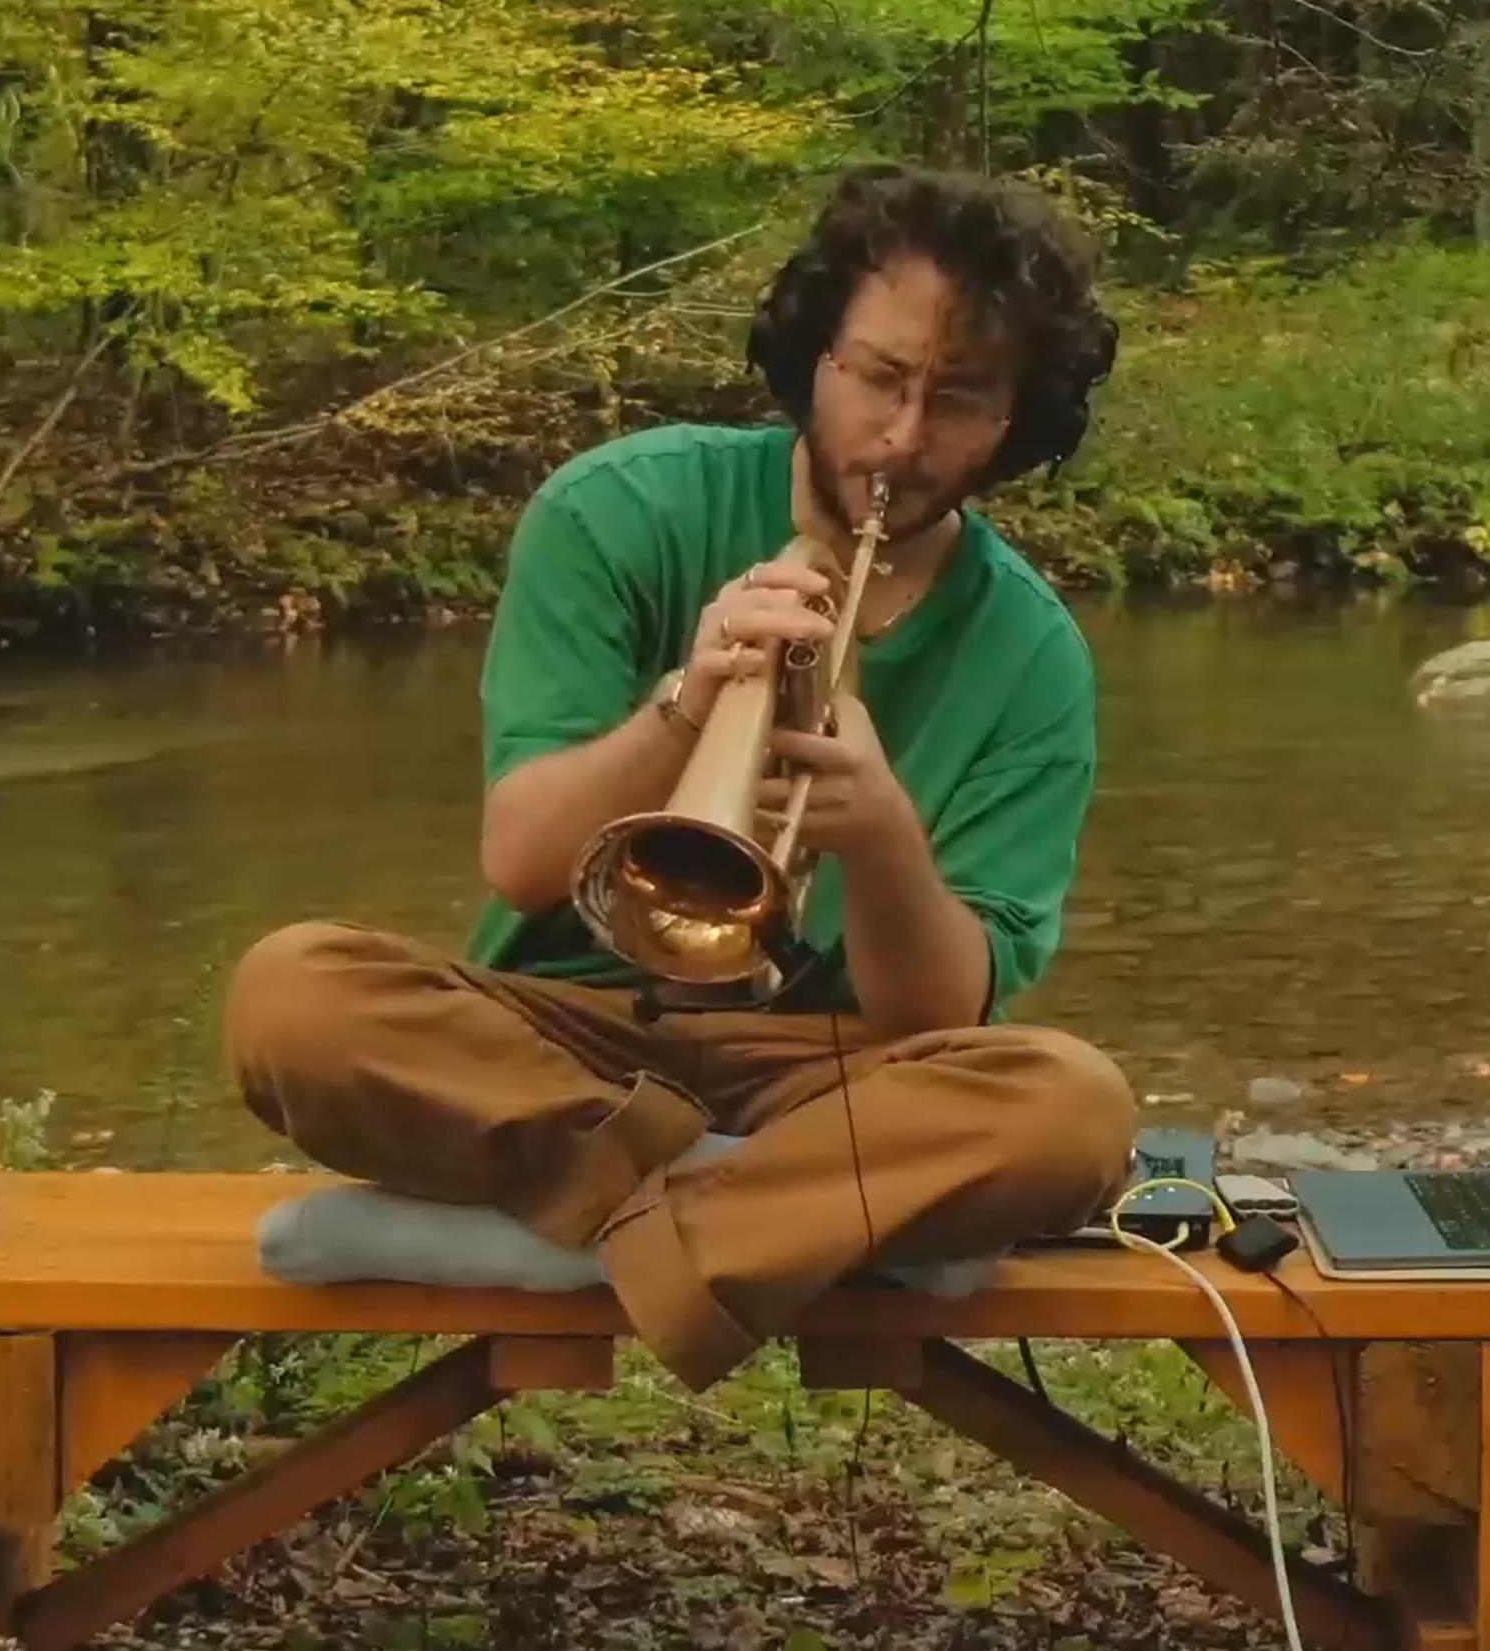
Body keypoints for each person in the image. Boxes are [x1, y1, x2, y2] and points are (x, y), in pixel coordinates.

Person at [225, 166, 1140, 1387]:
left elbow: (939, 1019)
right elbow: (522, 860)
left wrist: (880, 840)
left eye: (959, 400)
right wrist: (687, 703)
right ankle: (783, 1225)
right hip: (566, 1040)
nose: (903, 438)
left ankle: (573, 1235)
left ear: (1019, 419)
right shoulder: (618, 510)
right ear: (815, 354)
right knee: (291, 1000)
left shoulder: (1031, 652)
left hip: (835, 1069)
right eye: (877, 377)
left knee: (1071, 1110)